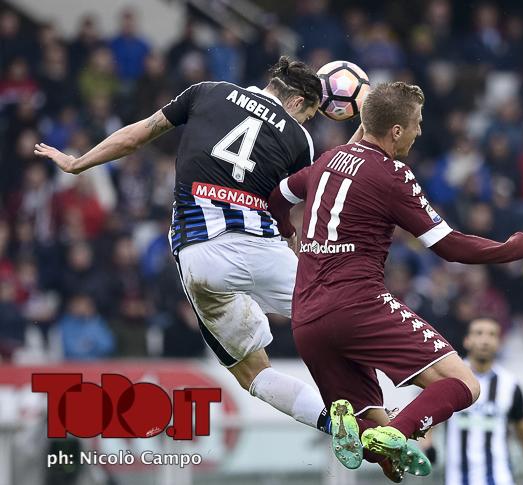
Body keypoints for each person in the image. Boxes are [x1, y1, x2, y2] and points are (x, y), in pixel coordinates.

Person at [34, 56, 338, 449]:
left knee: (252, 374)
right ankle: (375, 413)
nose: (306, 123)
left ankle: (330, 421)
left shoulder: (205, 92)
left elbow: (138, 135)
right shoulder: (299, 139)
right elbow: (291, 206)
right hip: (261, 246)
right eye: (308, 115)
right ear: (296, 102)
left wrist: (78, 163)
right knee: (341, 317)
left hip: (198, 255)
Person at [268, 81, 523, 480]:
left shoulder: (325, 161)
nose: (420, 131)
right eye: (417, 123)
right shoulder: (392, 175)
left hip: (306, 318)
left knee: (379, 440)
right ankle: (397, 431)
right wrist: (512, 248)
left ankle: (372, 434)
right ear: (396, 130)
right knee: (464, 383)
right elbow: (449, 246)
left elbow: (278, 197)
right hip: (358, 306)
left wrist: (288, 233)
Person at [422, 318, 523, 485]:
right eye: (479, 333)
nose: (485, 340)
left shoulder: (510, 385)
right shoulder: (449, 379)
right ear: (467, 340)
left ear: (499, 343)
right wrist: (428, 444)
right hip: (457, 479)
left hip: (500, 479)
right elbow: (428, 419)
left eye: (492, 335)